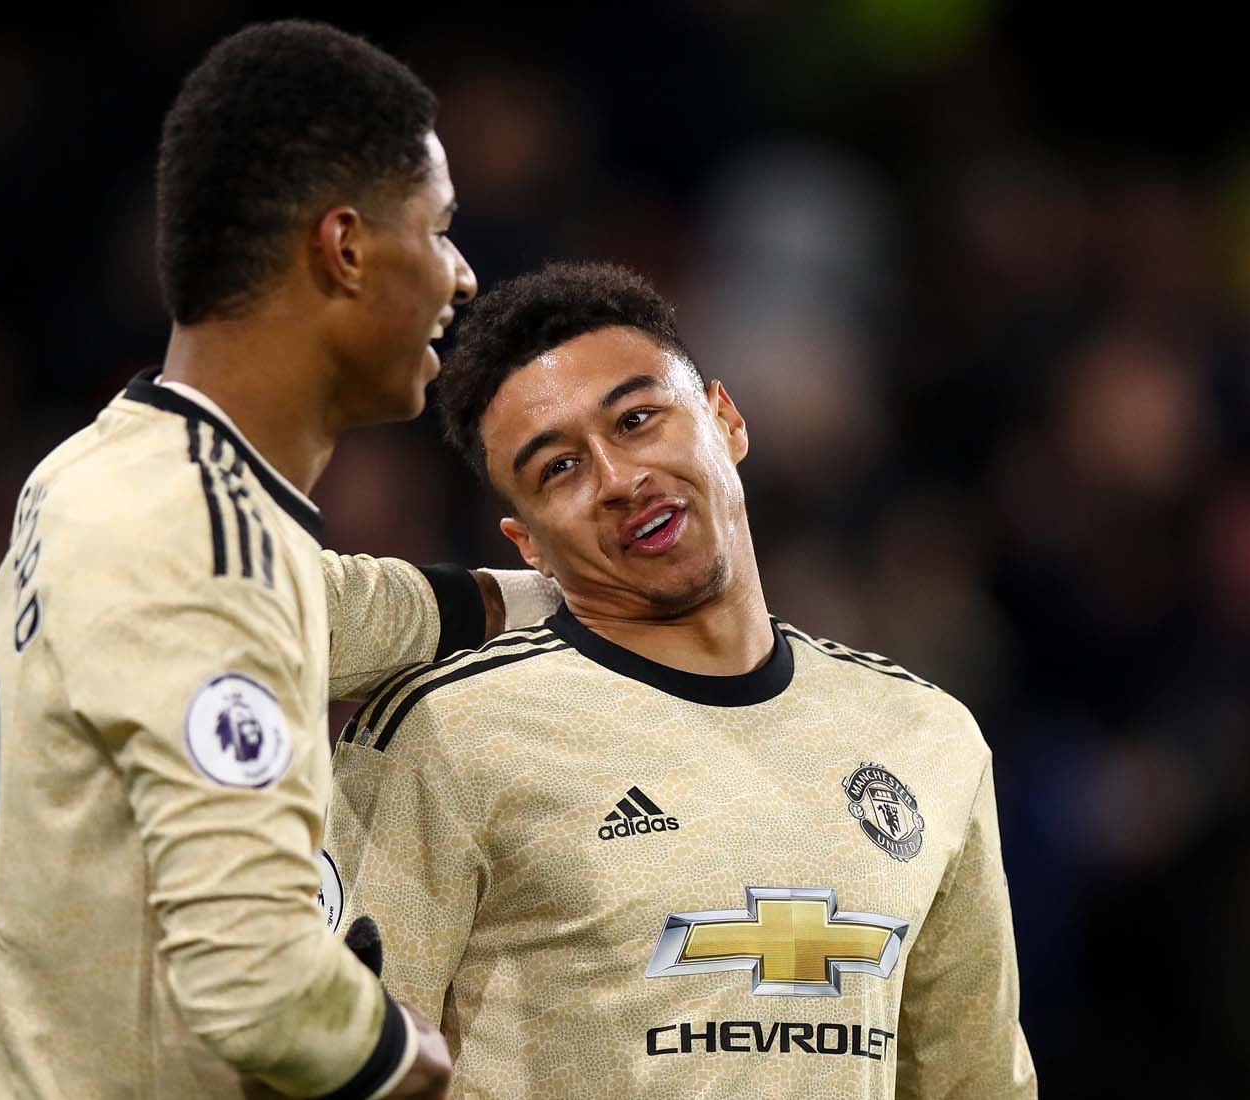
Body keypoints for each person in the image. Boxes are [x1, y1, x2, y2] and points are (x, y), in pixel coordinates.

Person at [0, 21, 553, 1100]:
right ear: (344, 248)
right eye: (440, 229)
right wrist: (412, 1057)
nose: (461, 277)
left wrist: (537, 599)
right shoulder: (202, 538)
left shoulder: (104, 473)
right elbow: (258, 984)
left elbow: (309, 605)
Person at [326, 262, 1037, 1099]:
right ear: (528, 544)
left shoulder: (927, 736)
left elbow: (973, 1084)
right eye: (560, 468)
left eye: (636, 420)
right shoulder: (448, 733)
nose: (619, 480)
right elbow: (341, 1068)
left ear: (726, 419)